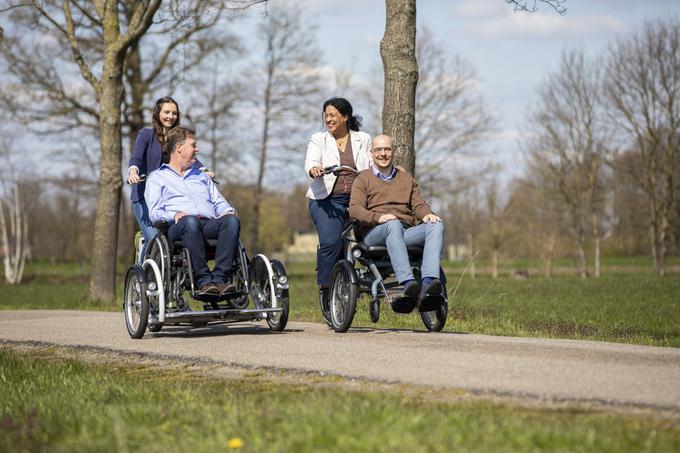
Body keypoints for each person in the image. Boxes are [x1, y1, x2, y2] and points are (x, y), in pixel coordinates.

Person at [349, 135, 445, 311]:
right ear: (371, 153)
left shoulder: (405, 178)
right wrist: (378, 217)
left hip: (403, 231)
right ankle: (408, 282)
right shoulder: (363, 179)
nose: (383, 154)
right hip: (374, 233)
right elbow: (355, 209)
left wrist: (428, 215)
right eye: (378, 150)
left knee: (436, 224)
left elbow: (419, 205)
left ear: (393, 153)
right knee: (392, 224)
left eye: (387, 149)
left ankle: (428, 284)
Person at [145, 126, 240, 297]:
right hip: (178, 226)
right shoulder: (157, 178)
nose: (197, 149)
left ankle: (220, 280)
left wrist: (227, 211)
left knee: (231, 221)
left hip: (208, 224)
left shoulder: (202, 176)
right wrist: (173, 215)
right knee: (190, 221)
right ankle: (203, 281)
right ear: (179, 148)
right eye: (193, 145)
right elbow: (154, 213)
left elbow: (219, 202)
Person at [304, 97, 372, 313]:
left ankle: (370, 284)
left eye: (333, 115)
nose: (328, 119)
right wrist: (314, 168)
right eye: (326, 115)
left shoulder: (363, 138)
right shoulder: (319, 139)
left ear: (345, 117)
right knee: (331, 243)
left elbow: (373, 165)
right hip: (326, 200)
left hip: (357, 200)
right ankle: (326, 288)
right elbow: (311, 161)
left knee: (372, 241)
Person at [127, 96, 211, 259]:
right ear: (158, 113)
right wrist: (133, 171)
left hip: (170, 197)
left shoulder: (178, 139)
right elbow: (136, 157)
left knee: (174, 241)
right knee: (155, 240)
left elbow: (189, 156)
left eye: (174, 113)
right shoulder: (146, 135)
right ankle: (145, 277)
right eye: (166, 112)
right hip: (145, 198)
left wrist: (203, 170)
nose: (170, 116)